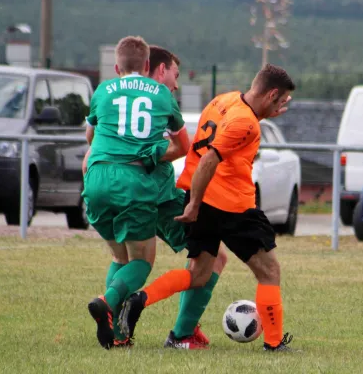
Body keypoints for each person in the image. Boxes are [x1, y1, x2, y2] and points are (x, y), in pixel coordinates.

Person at [119, 63, 296, 352]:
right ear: (272, 93)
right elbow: (210, 160)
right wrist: (195, 206)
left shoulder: (223, 101)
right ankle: (274, 344)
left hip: (199, 196)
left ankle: (139, 300)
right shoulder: (245, 122)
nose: (279, 107)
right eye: (279, 101)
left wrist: (195, 202)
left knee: (199, 273)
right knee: (269, 272)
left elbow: (223, 141)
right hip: (231, 206)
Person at [83, 44, 228, 349]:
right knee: (211, 256)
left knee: (121, 258)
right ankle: (182, 334)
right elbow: (181, 146)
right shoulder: (161, 100)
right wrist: (153, 156)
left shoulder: (109, 94)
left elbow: (91, 143)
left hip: (102, 183)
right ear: (158, 68)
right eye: (175, 74)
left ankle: (120, 333)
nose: (176, 83)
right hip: (149, 193)